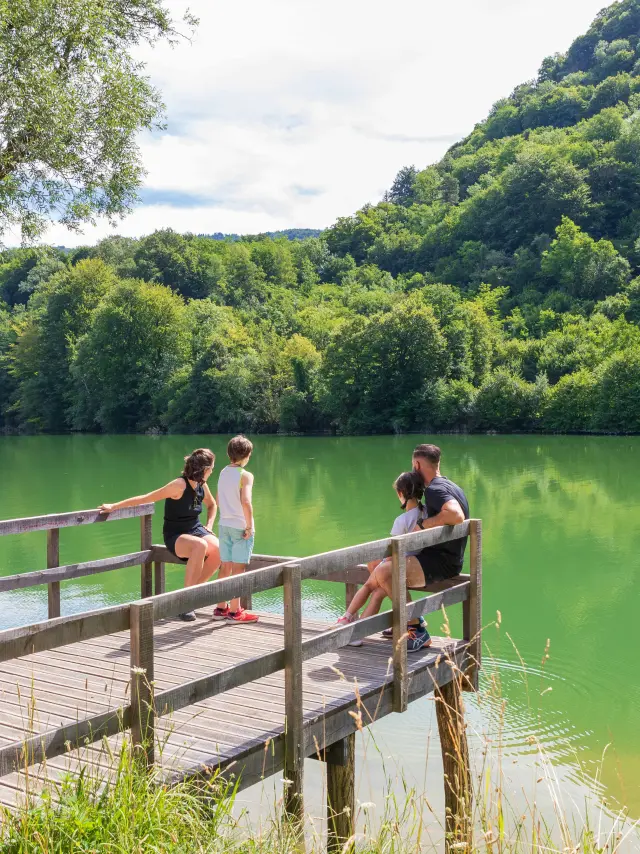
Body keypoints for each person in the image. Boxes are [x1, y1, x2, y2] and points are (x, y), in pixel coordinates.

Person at [98, 448, 220, 622]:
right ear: (203, 469)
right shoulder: (179, 485)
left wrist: (208, 525)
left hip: (196, 528)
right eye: (211, 468)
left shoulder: (202, 485)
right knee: (200, 546)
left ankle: (193, 593)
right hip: (176, 534)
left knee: (219, 550)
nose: (212, 472)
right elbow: (147, 498)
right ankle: (186, 603)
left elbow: (212, 505)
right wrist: (114, 506)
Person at [333, 471, 430, 650]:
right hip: (415, 562)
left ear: (401, 494)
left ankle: (348, 618)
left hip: (400, 564)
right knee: (377, 588)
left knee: (371, 586)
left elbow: (393, 548)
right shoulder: (426, 513)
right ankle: (358, 630)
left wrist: (382, 564)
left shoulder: (402, 520)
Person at [212, 436, 259, 624]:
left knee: (225, 566)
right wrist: (249, 526)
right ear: (247, 455)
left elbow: (218, 497)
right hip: (240, 527)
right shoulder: (245, 475)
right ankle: (235, 612)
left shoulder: (223, 472)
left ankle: (220, 608)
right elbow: (246, 501)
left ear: (229, 454)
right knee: (239, 569)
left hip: (224, 525)